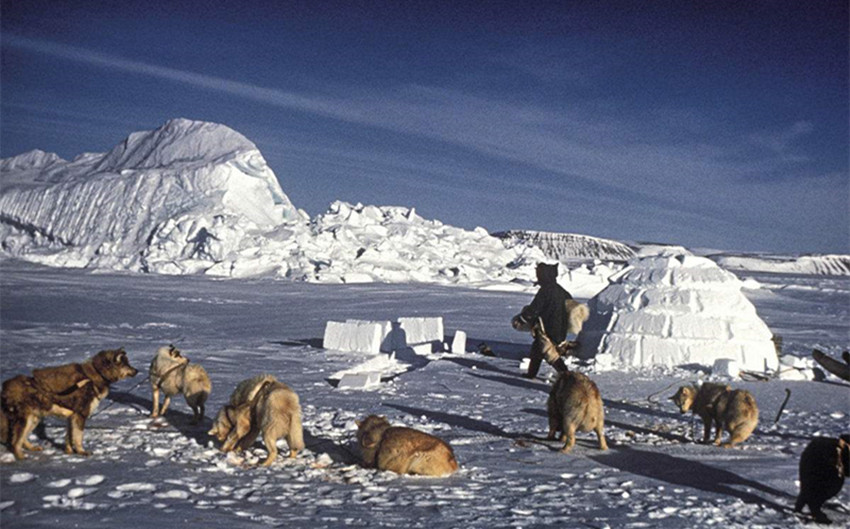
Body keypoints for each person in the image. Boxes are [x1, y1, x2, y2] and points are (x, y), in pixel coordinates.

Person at [514, 262, 572, 378]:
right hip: (560, 328)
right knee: (537, 349)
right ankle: (531, 374)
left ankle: (566, 375)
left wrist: (522, 318)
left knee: (548, 352)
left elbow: (534, 309)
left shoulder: (545, 291)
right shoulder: (562, 291)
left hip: (547, 328)